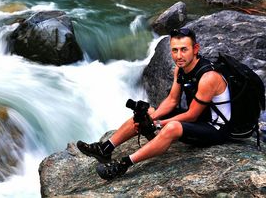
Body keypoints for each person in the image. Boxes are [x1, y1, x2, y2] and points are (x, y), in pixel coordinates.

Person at [77, 28, 232, 180]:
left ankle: (123, 165)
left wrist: (157, 124)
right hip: (199, 121)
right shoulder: (181, 69)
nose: (179, 56)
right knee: (145, 113)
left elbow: (192, 115)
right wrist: (149, 119)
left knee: (172, 127)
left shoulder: (209, 77)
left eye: (184, 49)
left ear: (196, 49)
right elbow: (172, 100)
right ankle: (105, 149)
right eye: (175, 50)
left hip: (216, 129)